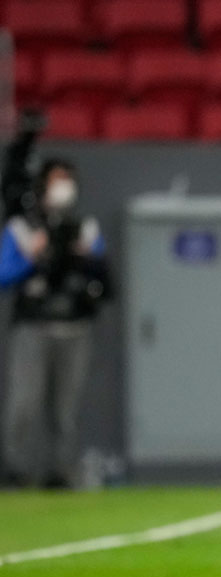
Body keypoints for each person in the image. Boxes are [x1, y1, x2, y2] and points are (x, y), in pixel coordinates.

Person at [0, 157, 111, 488]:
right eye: (57, 179)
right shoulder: (23, 229)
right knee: (24, 403)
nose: (64, 187)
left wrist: (83, 259)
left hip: (73, 326)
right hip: (34, 325)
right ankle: (16, 469)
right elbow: (4, 275)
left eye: (69, 179)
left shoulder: (84, 228)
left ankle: (61, 471)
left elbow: (104, 278)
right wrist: (34, 257)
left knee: (65, 410)